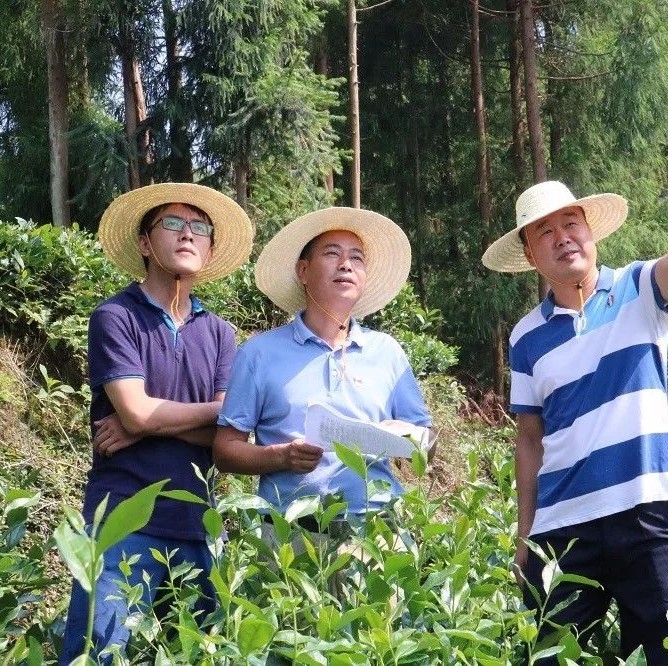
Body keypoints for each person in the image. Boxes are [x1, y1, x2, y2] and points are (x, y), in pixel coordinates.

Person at [60, 182, 253, 664]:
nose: (187, 234)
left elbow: (230, 434)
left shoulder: (221, 333)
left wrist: (145, 421)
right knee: (100, 653)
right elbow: (137, 410)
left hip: (199, 525)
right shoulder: (115, 317)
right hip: (124, 520)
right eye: (172, 223)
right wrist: (145, 416)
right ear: (145, 243)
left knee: (204, 654)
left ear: (209, 250)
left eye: (199, 228)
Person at [482, 180, 668, 663]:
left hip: (649, 512)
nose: (562, 237)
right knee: (548, 654)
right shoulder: (525, 336)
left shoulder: (642, 286)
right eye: (544, 231)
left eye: (571, 224)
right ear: (529, 252)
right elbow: (529, 441)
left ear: (590, 232)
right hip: (562, 531)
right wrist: (525, 540)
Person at [213, 207, 433, 541]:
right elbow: (225, 450)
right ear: (303, 270)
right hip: (292, 534)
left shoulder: (387, 352)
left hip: (378, 531)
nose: (346, 264)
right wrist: (282, 456)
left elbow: (427, 445)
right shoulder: (259, 354)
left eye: (357, 258)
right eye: (332, 254)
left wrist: (409, 437)